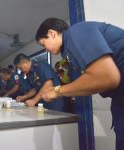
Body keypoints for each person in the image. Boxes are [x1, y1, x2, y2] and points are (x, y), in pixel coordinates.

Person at [35, 17, 124, 150]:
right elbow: (91, 80)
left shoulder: (75, 32)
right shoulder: (70, 53)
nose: (46, 49)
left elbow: (107, 76)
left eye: (43, 44)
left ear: (52, 33)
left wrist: (57, 91)